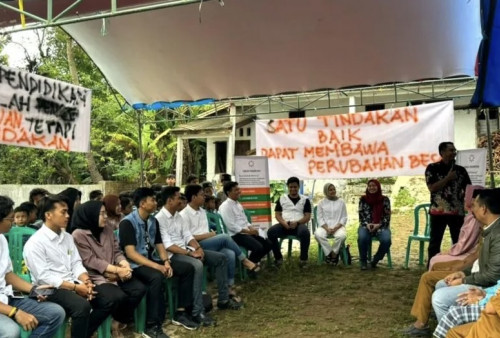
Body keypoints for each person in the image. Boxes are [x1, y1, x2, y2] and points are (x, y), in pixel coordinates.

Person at [402, 188, 500, 337]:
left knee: (439, 297)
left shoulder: (497, 233)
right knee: (442, 284)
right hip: (481, 280)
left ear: (484, 209)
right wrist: (462, 272)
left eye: (475, 205)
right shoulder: (490, 228)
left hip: (489, 288)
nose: (471, 208)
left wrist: (464, 279)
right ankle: (447, 328)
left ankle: (446, 329)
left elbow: (492, 275)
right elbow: (480, 263)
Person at [23, 195, 112, 338]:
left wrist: (86, 281)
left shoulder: (67, 237)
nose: (68, 216)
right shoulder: (35, 243)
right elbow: (44, 277)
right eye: (63, 212)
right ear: (48, 215)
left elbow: (76, 263)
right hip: (49, 289)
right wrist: (76, 288)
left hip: (73, 282)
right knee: (81, 306)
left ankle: (82, 332)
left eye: (68, 212)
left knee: (107, 300)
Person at [118, 187, 197, 336]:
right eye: (152, 200)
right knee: (156, 277)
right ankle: (152, 325)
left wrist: (166, 262)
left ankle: (181, 312)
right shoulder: (127, 223)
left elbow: (159, 244)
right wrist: (157, 267)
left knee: (187, 268)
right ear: (142, 203)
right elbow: (131, 253)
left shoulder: (153, 220)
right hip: (134, 264)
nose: (156, 202)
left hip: (151, 259)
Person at [156, 186, 234, 328]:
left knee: (221, 258)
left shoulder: (178, 216)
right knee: (196, 264)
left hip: (188, 250)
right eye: (179, 197)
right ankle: (198, 311)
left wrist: (197, 248)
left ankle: (224, 299)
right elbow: (167, 245)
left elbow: (188, 235)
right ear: (169, 200)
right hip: (173, 256)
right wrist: (190, 253)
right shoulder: (159, 219)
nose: (181, 200)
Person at [72, 201, 147, 338]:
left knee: (138, 289)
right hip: (95, 276)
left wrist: (125, 265)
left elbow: (117, 251)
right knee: (117, 296)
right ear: (91, 215)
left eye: (105, 213)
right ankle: (87, 330)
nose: (105, 216)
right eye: (101, 214)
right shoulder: (78, 234)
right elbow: (90, 260)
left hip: (114, 271)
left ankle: (117, 322)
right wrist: (117, 271)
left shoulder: (107, 229)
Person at [0, 195, 66, 338]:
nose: (13, 223)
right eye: (10, 219)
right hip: (3, 306)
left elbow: (7, 275)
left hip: (6, 296)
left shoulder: (1, 239)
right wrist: (14, 312)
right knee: (11, 332)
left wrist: (34, 290)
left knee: (55, 313)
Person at [180, 185, 259, 300]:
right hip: (196, 247)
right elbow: (188, 238)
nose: (204, 198)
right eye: (201, 195)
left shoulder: (202, 211)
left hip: (209, 243)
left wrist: (210, 235)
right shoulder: (184, 214)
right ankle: (245, 260)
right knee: (225, 237)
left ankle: (229, 286)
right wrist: (209, 235)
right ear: (193, 197)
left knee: (230, 254)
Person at [425, 142, 471, 263]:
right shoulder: (432, 168)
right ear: (442, 153)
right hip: (438, 211)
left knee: (458, 241)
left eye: (454, 150)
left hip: (457, 211)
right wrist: (447, 178)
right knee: (435, 242)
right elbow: (432, 188)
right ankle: (432, 266)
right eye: (451, 150)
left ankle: (458, 265)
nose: (454, 152)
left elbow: (468, 188)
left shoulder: (460, 170)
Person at [429, 185, 484, 271]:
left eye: (467, 196)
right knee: (436, 259)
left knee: (435, 260)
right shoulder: (471, 215)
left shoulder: (474, 218)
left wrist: (450, 251)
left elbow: (466, 243)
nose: (464, 199)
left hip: (469, 254)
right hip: (468, 253)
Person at [219, 181, 272, 266]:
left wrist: (251, 228)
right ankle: (250, 267)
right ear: (228, 192)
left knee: (268, 244)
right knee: (258, 247)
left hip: (245, 232)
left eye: (239, 189)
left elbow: (245, 220)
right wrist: (249, 232)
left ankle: (251, 264)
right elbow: (231, 226)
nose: (239, 191)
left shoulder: (238, 204)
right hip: (235, 235)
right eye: (236, 190)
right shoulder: (225, 206)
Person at [267, 177, 311, 268]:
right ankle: (278, 258)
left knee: (305, 232)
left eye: (295, 187)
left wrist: (297, 223)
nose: (293, 189)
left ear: (299, 187)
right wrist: (283, 223)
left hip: (299, 225)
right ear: (288, 187)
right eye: (291, 187)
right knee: (271, 232)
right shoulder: (282, 198)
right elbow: (277, 214)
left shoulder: (305, 200)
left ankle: (303, 260)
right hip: (284, 225)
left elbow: (307, 216)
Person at [433, 280, 500, 338]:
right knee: (453, 331)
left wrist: (464, 280)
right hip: (489, 300)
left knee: (455, 313)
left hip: (492, 312)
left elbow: (490, 309)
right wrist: (484, 293)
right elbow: (497, 287)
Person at [357, 179, 391, 270]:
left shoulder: (385, 199)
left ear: (378, 187)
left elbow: (387, 216)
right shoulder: (363, 199)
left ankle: (375, 260)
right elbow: (361, 216)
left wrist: (378, 224)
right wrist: (367, 224)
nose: (372, 188)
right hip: (366, 225)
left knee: (386, 240)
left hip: (381, 226)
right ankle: (363, 261)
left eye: (374, 186)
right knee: (362, 238)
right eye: (370, 186)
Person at [314, 183, 348, 265]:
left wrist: (336, 227)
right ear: (326, 191)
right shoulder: (321, 202)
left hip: (338, 227)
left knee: (341, 236)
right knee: (318, 234)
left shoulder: (341, 202)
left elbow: (344, 217)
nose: (333, 191)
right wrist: (326, 228)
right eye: (330, 190)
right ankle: (329, 253)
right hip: (324, 227)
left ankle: (334, 254)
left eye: (334, 189)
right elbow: (319, 218)